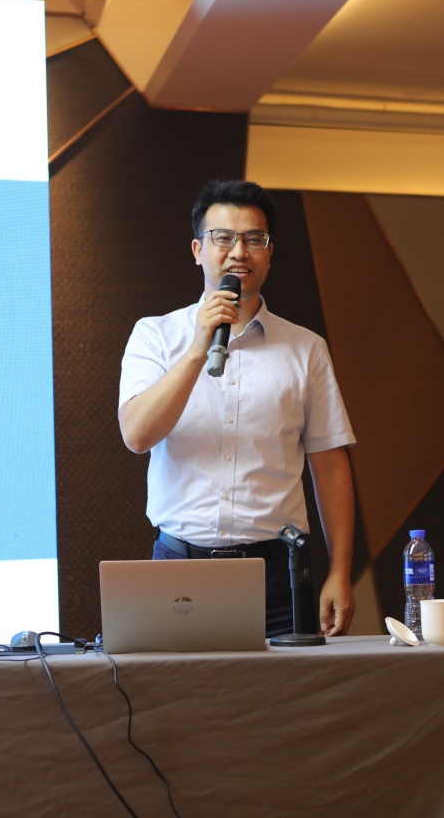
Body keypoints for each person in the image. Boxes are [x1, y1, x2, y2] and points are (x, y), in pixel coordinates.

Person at [117, 179, 357, 637]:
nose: (239, 252)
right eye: (223, 238)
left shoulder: (307, 348)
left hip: (278, 574)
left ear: (269, 253)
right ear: (197, 250)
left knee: (289, 687)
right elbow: (137, 435)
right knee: (174, 688)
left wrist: (340, 571)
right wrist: (198, 348)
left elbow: (330, 466)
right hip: (179, 569)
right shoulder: (155, 336)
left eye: (254, 239)